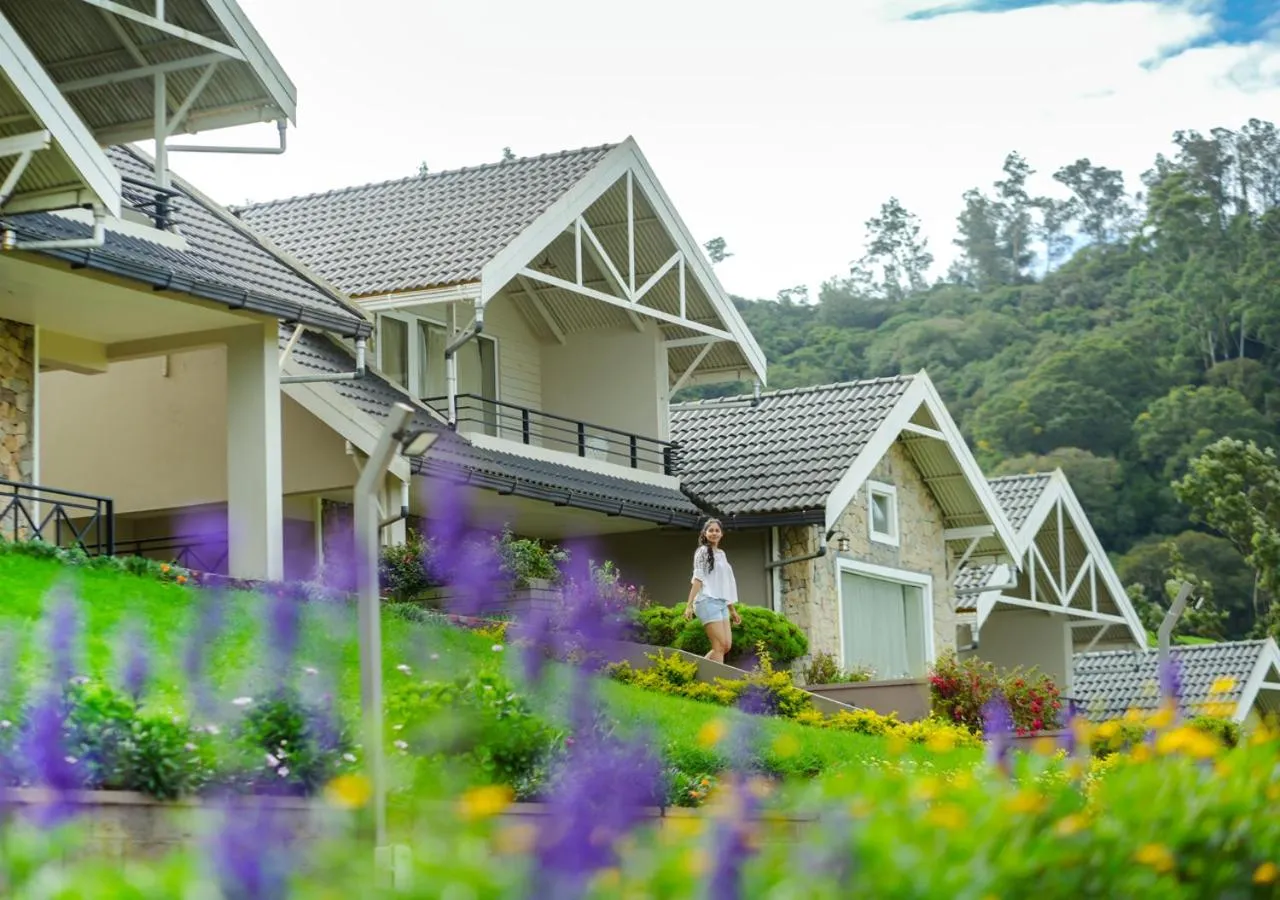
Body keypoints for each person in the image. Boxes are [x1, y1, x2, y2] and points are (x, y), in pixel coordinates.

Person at [683, 517, 741, 663]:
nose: (714, 533)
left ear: (722, 534)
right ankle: (715, 683)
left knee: (726, 645)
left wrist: (732, 610)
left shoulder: (721, 554)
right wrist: (689, 605)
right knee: (719, 646)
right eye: (711, 530)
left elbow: (723, 584)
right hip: (706, 601)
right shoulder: (702, 552)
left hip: (721, 603)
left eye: (717, 530)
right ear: (705, 533)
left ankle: (698, 671)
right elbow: (698, 579)